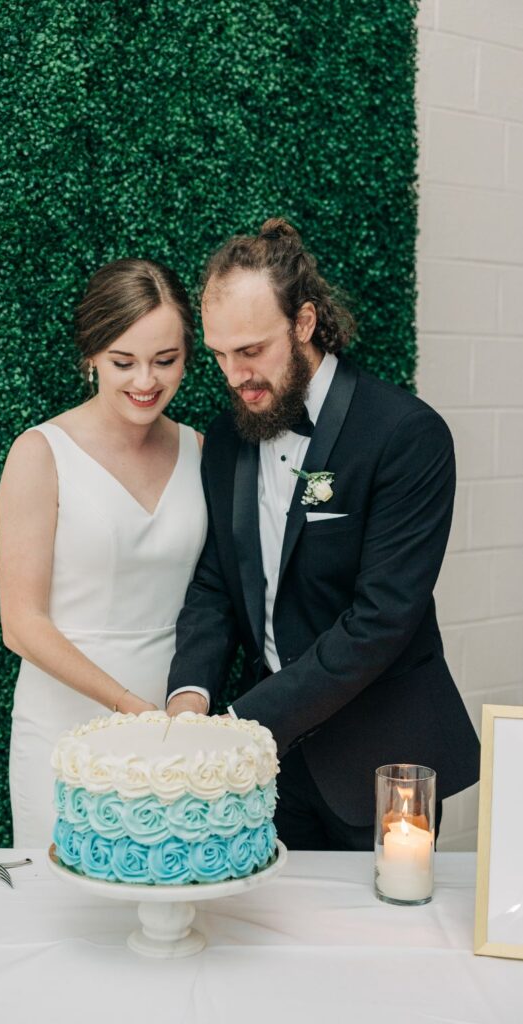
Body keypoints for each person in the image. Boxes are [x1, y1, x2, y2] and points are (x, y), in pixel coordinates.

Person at [166, 219, 480, 851]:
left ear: (304, 323)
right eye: (220, 355)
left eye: (251, 350)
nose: (234, 375)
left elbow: (380, 622)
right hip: (273, 772)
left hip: (383, 761)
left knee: (389, 941)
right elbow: (216, 584)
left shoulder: (406, 435)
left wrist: (241, 725)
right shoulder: (227, 436)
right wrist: (189, 699)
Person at [0, 259, 207, 847]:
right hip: (65, 725)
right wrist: (129, 707)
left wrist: (175, 714)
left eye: (165, 361)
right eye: (124, 361)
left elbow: (213, 598)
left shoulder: (200, 450)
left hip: (173, 729)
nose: (146, 380)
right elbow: (21, 624)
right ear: (91, 355)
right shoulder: (41, 453)